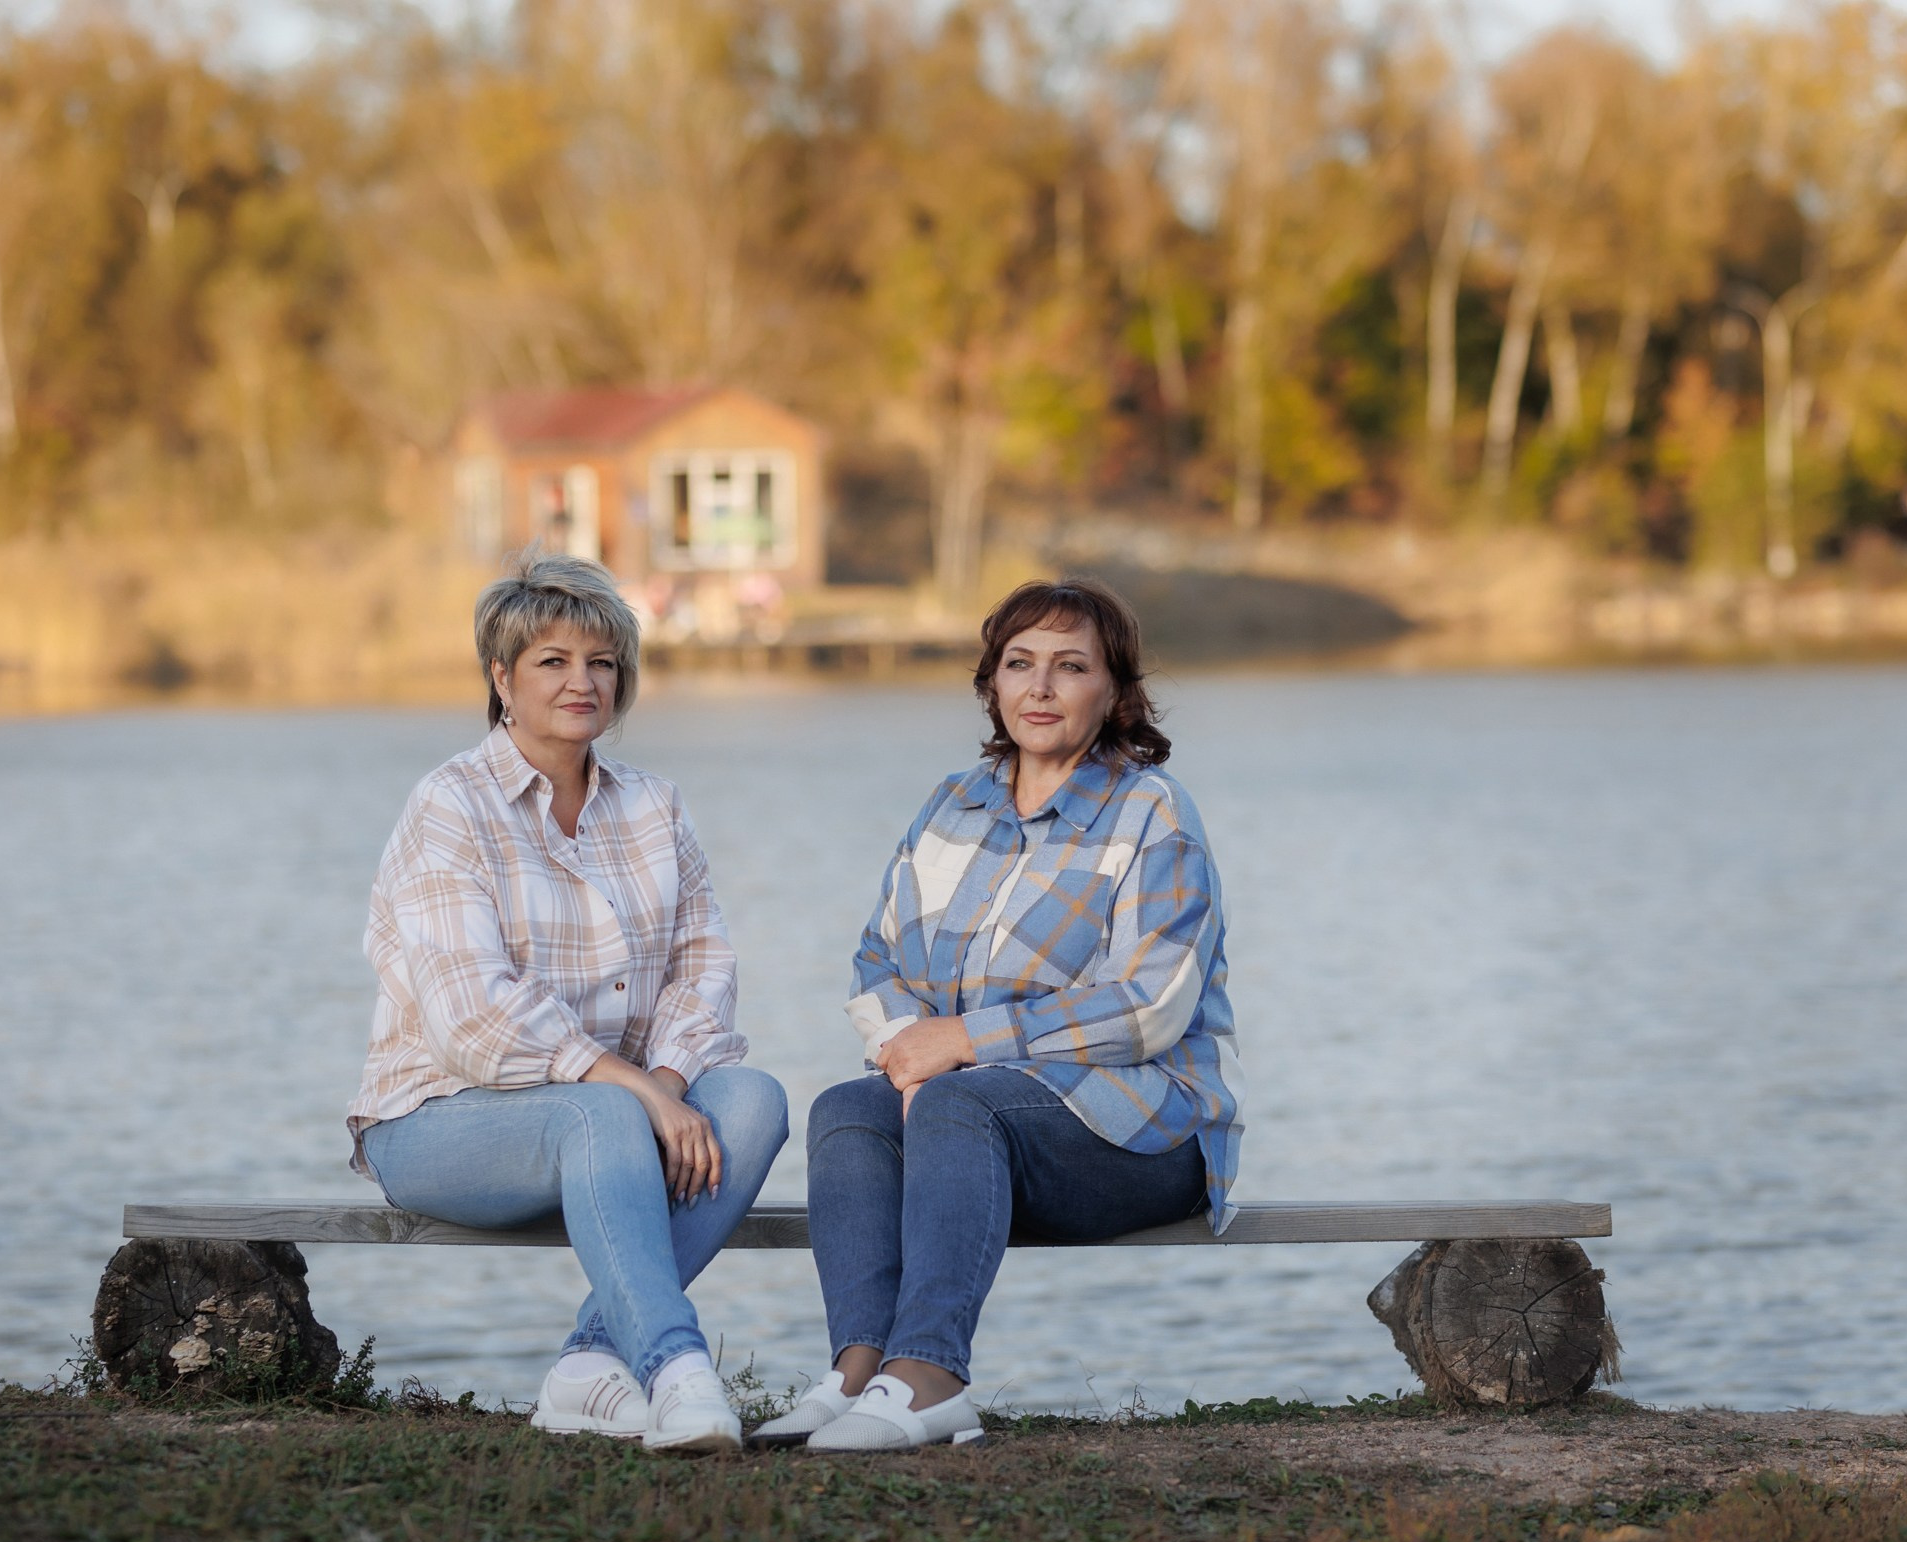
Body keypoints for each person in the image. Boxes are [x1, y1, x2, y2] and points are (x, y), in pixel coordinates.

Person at [755, 578, 1243, 1453]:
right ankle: (859, 1372)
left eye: (1071, 667)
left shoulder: (1152, 814)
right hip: (965, 1114)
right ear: (992, 683)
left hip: (1145, 1135)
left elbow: (1149, 1008)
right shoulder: (954, 805)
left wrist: (962, 1045)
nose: (1041, 687)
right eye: (1020, 664)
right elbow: (877, 959)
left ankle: (931, 1379)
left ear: (1115, 691)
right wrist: (910, 1057)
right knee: (847, 1110)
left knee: (959, 1101)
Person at [347, 552, 787, 1455]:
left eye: (602, 663)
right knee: (602, 1111)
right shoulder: (449, 806)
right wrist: (637, 1091)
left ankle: (590, 1363)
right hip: (437, 1121)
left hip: (612, 1119)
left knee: (752, 1101)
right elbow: (471, 1017)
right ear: (501, 677)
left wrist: (667, 1086)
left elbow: (704, 968)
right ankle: (677, 1368)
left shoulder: (655, 807)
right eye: (552, 661)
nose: (582, 682)